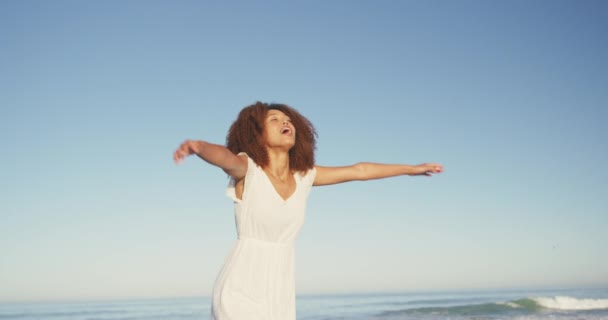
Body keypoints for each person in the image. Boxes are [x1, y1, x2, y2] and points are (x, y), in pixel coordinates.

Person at [173, 101, 443, 320]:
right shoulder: (249, 171)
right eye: (274, 120)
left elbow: (359, 171)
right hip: (242, 281)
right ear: (256, 134)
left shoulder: (305, 176)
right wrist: (198, 147)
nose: (285, 122)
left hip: (280, 287)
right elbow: (224, 158)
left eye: (288, 119)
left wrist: (410, 169)